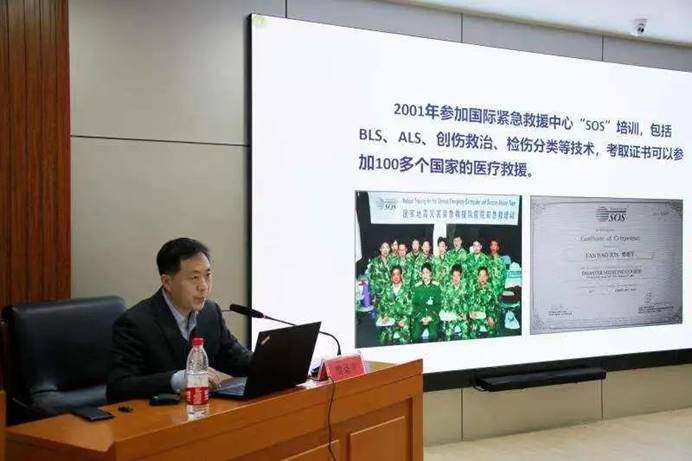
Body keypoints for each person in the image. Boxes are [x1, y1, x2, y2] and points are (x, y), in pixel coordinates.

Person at [107, 238, 252, 402]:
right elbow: (118, 387)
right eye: (194, 278)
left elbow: (235, 358)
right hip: (158, 414)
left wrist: (271, 362)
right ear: (167, 282)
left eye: (207, 275)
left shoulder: (210, 312)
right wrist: (176, 380)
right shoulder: (134, 323)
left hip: (201, 410)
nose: (204, 286)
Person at [377, 265, 412, 344]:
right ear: (391, 277)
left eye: (398, 274)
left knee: (404, 339)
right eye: (393, 275)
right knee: (384, 339)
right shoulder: (387, 290)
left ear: (401, 276)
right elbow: (381, 305)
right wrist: (385, 315)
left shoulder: (407, 290)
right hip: (391, 319)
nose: (396, 277)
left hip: (403, 320)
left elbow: (410, 308)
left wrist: (404, 320)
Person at [410, 263, 442, 342]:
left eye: (427, 272)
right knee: (415, 335)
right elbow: (414, 305)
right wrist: (421, 317)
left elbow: (438, 305)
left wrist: (430, 317)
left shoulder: (436, 287)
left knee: (434, 334)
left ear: (431, 273)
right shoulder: (417, 287)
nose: (425, 275)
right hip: (420, 317)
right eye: (423, 273)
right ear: (421, 274)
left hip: (432, 316)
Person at [467, 267, 499, 338]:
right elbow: (469, 303)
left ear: (487, 277)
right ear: (477, 277)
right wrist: (470, 311)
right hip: (476, 318)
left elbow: (494, 306)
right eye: (480, 276)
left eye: (484, 276)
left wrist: (490, 316)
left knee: (492, 331)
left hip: (487, 318)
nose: (482, 278)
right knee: (471, 332)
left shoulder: (491, 289)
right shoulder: (473, 289)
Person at [441, 264, 469, 339]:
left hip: (462, 317)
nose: (456, 278)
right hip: (451, 317)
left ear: (461, 276)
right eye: (454, 276)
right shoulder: (447, 287)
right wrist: (454, 315)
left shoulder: (465, 288)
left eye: (458, 275)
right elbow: (444, 305)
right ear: (451, 276)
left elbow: (468, 303)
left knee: (466, 333)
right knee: (448, 334)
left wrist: (465, 314)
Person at [366, 240, 391, 306]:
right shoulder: (374, 262)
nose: (385, 250)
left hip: (390, 297)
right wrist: (373, 296)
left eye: (387, 247)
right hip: (379, 297)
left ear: (389, 249)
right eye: (383, 247)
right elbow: (371, 281)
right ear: (380, 249)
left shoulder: (393, 262)